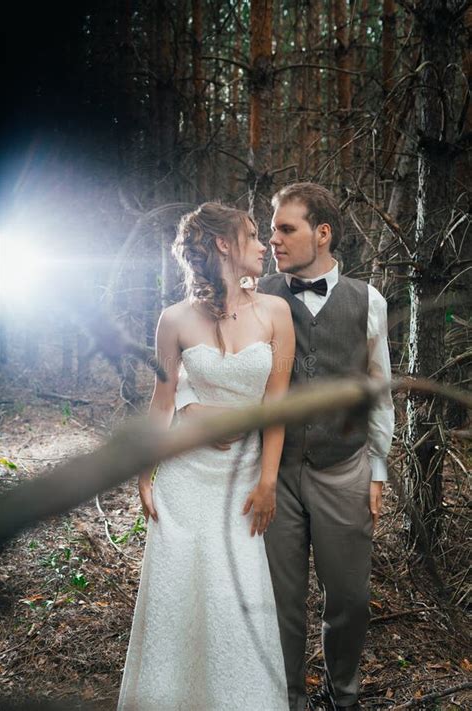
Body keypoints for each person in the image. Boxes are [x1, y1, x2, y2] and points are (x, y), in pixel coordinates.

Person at [177, 183, 394, 711]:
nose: (274, 239)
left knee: (350, 597)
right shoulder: (255, 291)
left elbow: (380, 388)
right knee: (280, 599)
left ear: (322, 233)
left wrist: (379, 468)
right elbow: (200, 344)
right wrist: (192, 407)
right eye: (270, 229)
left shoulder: (368, 301)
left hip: (344, 469)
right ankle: (286, 696)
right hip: (269, 470)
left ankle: (343, 693)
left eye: (286, 229)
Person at [117, 202, 295, 711]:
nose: (265, 246)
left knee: (234, 598)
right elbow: (163, 401)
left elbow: (277, 404)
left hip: (241, 479)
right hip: (184, 476)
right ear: (223, 245)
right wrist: (145, 471)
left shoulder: (276, 314)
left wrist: (268, 481)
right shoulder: (173, 319)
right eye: (253, 235)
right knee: (179, 593)